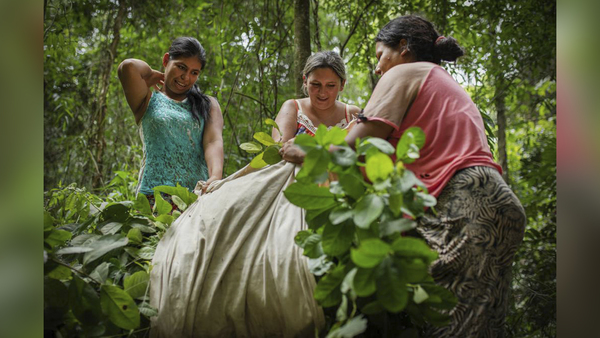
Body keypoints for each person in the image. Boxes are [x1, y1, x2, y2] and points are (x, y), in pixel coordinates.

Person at [287, 15, 526, 338]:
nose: (377, 68)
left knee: (449, 325)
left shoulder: (404, 71)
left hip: (468, 205)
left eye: (379, 56)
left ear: (403, 48)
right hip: (493, 202)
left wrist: (306, 152)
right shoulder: (439, 80)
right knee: (481, 324)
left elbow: (360, 143)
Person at [149, 51, 358, 337]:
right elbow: (280, 150)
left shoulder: (354, 115)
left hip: (336, 180)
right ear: (304, 81)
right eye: (315, 84)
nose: (323, 92)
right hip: (291, 177)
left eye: (330, 85)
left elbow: (359, 151)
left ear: (342, 85)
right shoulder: (292, 107)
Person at [117, 37, 224, 206]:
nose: (186, 77)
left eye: (194, 73)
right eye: (181, 67)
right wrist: (152, 74)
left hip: (196, 198)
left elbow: (213, 141)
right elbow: (127, 67)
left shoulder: (207, 104)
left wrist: (215, 177)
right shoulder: (148, 99)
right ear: (166, 60)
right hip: (153, 198)